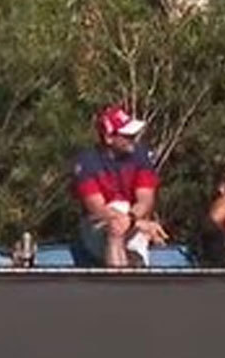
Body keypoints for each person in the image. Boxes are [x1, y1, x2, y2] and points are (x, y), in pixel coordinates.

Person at [72, 104, 168, 267]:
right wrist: (140, 224)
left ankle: (131, 269)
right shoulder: (86, 163)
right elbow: (98, 210)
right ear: (109, 138)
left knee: (123, 224)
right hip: (98, 226)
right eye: (127, 135)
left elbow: (145, 200)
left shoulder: (141, 156)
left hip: (132, 219)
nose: (133, 139)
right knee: (115, 223)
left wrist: (132, 219)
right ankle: (116, 285)